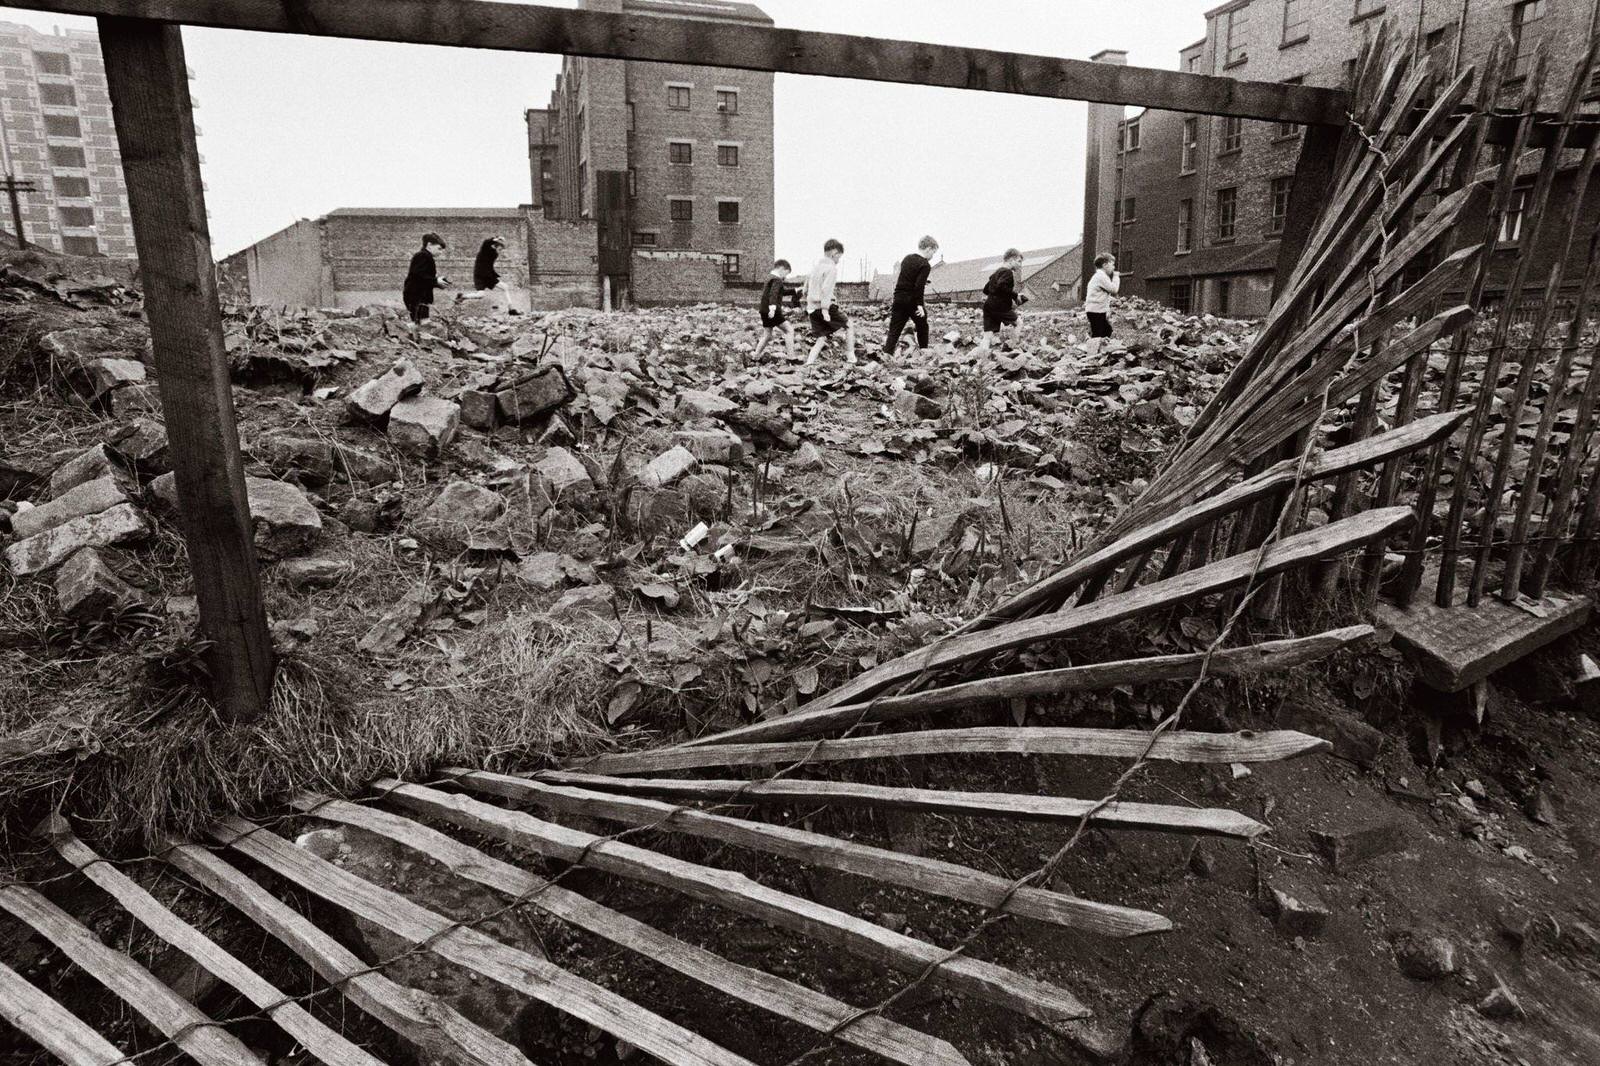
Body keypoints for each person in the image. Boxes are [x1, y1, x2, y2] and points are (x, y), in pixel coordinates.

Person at [882, 235, 938, 359]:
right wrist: (920, 306)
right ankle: (924, 353)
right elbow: (918, 287)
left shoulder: (907, 259)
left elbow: (906, 278)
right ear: (928, 249)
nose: (932, 256)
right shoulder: (925, 265)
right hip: (911, 300)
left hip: (898, 298)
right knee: (922, 325)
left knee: (894, 330)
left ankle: (886, 356)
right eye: (933, 252)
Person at [806, 238, 855, 364]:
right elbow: (826, 290)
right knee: (849, 325)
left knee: (821, 338)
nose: (838, 261)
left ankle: (809, 363)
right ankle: (851, 357)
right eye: (839, 257)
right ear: (835, 254)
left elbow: (806, 287)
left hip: (811, 308)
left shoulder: (815, 268)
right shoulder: (831, 268)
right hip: (824, 306)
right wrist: (825, 310)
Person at [976, 248, 1028, 356]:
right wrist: (1015, 295)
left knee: (987, 336)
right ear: (1011, 260)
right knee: (1019, 323)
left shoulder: (996, 273)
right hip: (999, 306)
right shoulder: (1007, 272)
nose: (1020, 265)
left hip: (989, 305)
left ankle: (981, 360)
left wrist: (997, 294)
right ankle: (1012, 348)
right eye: (1019, 261)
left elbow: (986, 289)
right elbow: (1001, 286)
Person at [752, 258, 795, 363]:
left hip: (764, 310)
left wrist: (794, 291)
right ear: (782, 268)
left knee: (767, 335)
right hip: (772, 311)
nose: (785, 276)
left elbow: (780, 292)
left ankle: (755, 357)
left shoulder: (769, 277)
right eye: (786, 273)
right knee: (789, 330)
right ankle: (791, 358)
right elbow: (773, 295)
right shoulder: (777, 279)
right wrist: (772, 309)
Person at [403, 232, 449, 323]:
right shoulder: (423, 256)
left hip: (418, 296)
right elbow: (418, 275)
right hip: (417, 296)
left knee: (419, 322)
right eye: (439, 249)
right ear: (429, 245)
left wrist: (437, 283)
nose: (440, 252)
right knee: (422, 323)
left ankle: (411, 334)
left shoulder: (425, 256)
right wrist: (435, 281)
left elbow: (422, 277)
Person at [1084, 252, 1122, 354]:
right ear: (1105, 265)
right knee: (1099, 333)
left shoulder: (1099, 276)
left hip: (1095, 310)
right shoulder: (1101, 276)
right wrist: (1116, 277)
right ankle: (1093, 353)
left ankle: (1099, 349)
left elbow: (1102, 293)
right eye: (1112, 264)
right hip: (1096, 311)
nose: (1114, 267)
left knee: (1106, 330)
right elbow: (1114, 289)